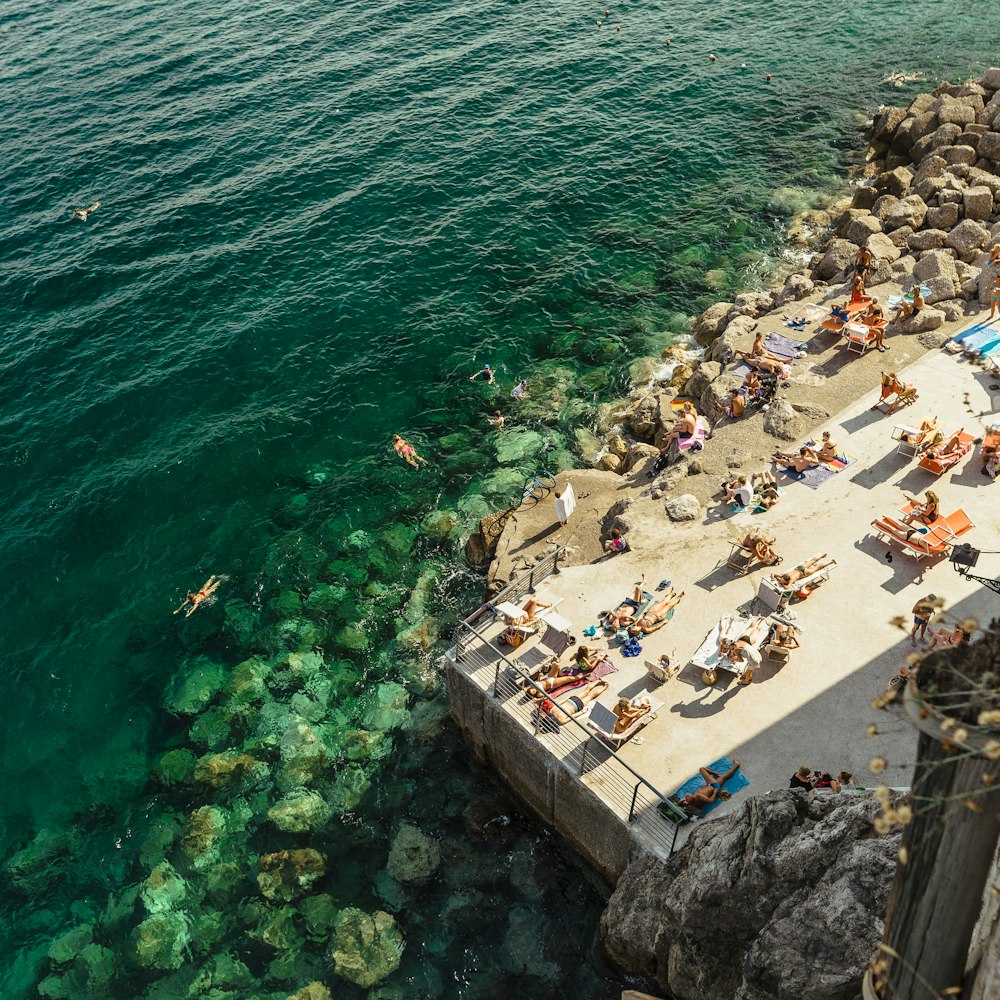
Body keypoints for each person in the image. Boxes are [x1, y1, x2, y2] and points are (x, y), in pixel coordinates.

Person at [537, 679, 609, 726]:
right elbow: (559, 704)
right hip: (570, 700)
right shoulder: (551, 711)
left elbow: (572, 717)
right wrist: (567, 699)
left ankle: (605, 687)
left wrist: (581, 712)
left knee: (590, 696)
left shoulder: (561, 721)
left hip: (576, 706)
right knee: (586, 691)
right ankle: (597, 681)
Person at [771, 555, 836, 589]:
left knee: (818, 567)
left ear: (786, 581)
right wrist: (773, 578)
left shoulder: (791, 579)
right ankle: (822, 555)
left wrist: (782, 584)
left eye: (782, 581)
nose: (781, 581)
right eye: (781, 580)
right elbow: (773, 573)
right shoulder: (784, 575)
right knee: (812, 561)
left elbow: (787, 587)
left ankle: (831, 561)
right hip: (799, 568)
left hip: (804, 572)